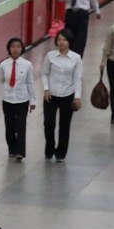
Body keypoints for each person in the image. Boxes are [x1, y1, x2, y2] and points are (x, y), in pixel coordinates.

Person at [40, 30, 82, 162]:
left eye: (64, 40)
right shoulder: (50, 56)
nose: (61, 42)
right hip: (51, 95)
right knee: (49, 123)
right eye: (59, 40)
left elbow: (77, 78)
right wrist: (46, 89)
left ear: (69, 42)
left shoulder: (76, 58)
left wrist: (77, 96)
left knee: (64, 125)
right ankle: (49, 148)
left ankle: (61, 153)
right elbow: (44, 73)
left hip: (67, 95)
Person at [0, 36, 35, 161]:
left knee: (21, 126)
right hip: (7, 99)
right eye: (13, 47)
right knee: (9, 126)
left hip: (22, 100)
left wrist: (33, 100)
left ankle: (20, 152)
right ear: (9, 49)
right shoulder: (3, 65)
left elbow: (30, 83)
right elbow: (1, 80)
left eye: (18, 47)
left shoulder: (27, 65)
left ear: (22, 48)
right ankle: (12, 148)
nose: (15, 49)